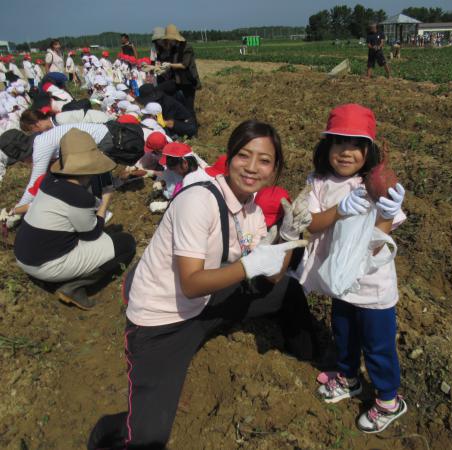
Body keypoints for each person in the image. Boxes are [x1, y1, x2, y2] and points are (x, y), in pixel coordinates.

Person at [87, 120, 315, 449]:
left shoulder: (251, 210)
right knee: (149, 438)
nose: (252, 167)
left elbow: (272, 277)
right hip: (162, 319)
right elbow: (192, 284)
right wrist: (248, 265)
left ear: (275, 169)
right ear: (229, 157)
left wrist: (288, 237)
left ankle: (307, 355)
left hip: (206, 301)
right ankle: (107, 429)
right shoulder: (199, 200)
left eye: (264, 160)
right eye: (244, 155)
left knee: (287, 290)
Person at [297, 104, 407, 433]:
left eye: (356, 145)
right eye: (339, 142)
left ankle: (389, 400)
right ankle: (348, 378)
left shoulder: (375, 184)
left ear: (369, 150)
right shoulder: (318, 182)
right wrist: (339, 210)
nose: (346, 152)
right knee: (343, 334)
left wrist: (387, 212)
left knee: (378, 346)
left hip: (373, 286)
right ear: (326, 146)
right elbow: (309, 224)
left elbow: (378, 245)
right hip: (340, 283)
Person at [13, 128, 136, 309]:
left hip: (23, 255)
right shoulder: (77, 196)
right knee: (125, 243)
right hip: (45, 265)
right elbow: (92, 234)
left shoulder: (50, 179)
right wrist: (105, 201)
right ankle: (74, 286)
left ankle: (60, 276)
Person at [158, 24, 200, 114]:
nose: (168, 41)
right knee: (160, 89)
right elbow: (171, 63)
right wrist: (161, 69)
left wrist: (170, 65)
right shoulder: (173, 48)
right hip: (177, 80)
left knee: (189, 108)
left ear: (174, 38)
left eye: (169, 39)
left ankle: (192, 122)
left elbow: (184, 65)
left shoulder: (187, 47)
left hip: (188, 80)